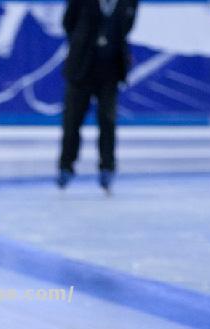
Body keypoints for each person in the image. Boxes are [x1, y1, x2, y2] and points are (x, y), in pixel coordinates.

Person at [57, 0, 138, 191]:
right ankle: (66, 167)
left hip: (111, 70)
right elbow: (69, 22)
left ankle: (107, 168)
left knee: (108, 121)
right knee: (72, 121)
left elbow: (126, 25)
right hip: (81, 69)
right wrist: (82, 43)